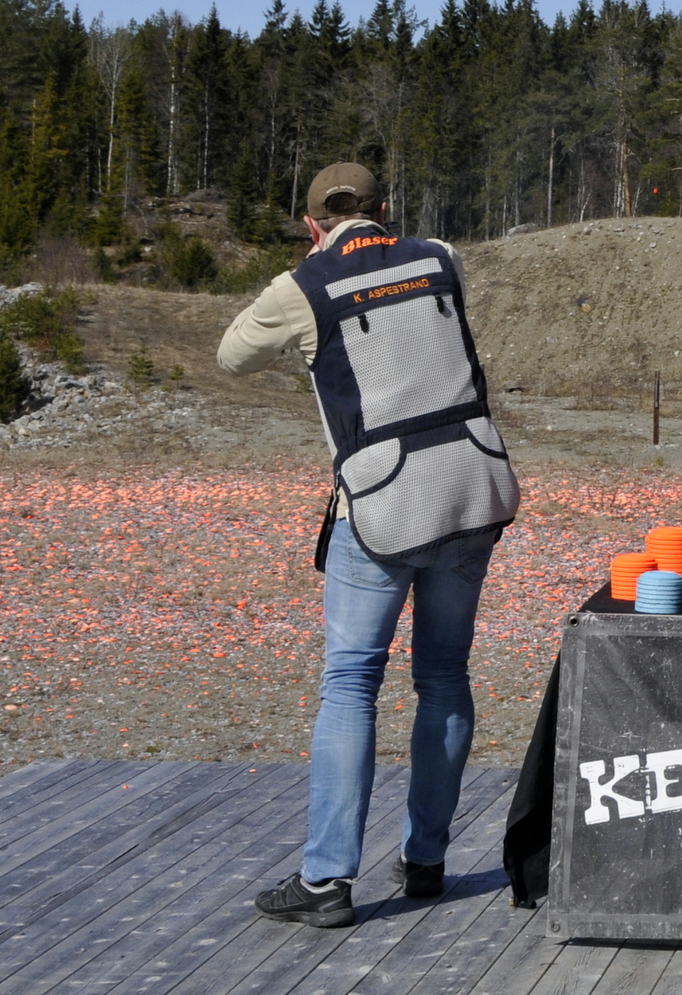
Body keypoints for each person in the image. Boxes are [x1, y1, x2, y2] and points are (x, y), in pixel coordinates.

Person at [218, 162, 519, 927]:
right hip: (468, 487)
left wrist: (300, 284)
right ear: (386, 210)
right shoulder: (440, 255)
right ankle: (425, 859)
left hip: (381, 505)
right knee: (444, 676)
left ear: (313, 224)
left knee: (351, 681)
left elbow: (231, 354)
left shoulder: (304, 284)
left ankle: (327, 881)